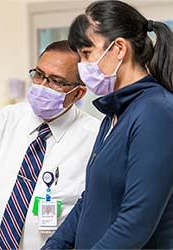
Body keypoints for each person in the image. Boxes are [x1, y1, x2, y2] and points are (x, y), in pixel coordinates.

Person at [41, 1, 173, 249]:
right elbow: (90, 200)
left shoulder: (157, 113)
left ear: (119, 49)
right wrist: (54, 245)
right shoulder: (113, 115)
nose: (82, 67)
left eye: (87, 54)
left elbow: (135, 223)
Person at [0, 40, 100, 249]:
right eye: (39, 74)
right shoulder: (2, 120)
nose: (42, 85)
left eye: (56, 80)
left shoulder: (95, 139)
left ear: (78, 93)